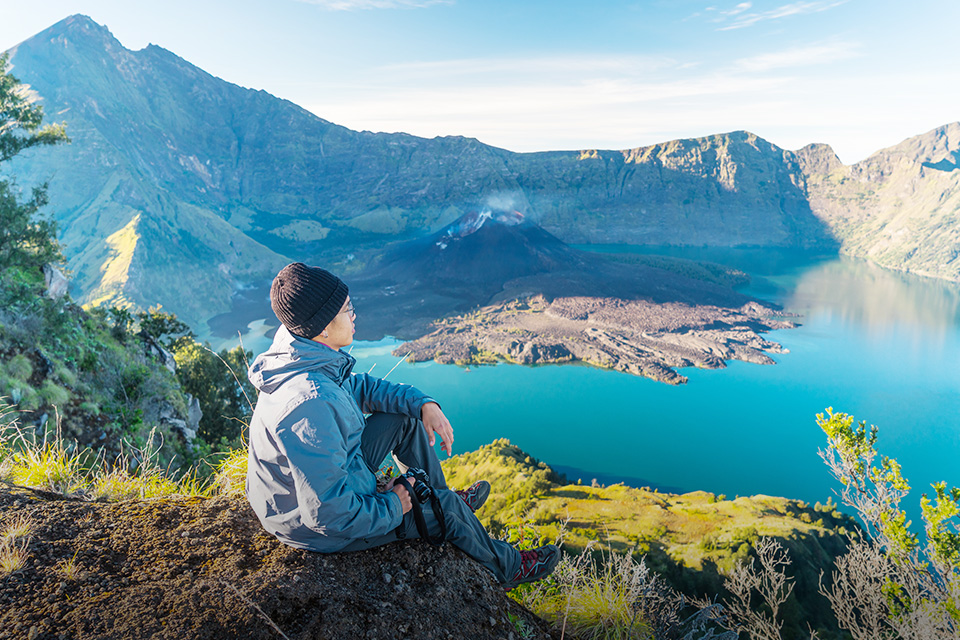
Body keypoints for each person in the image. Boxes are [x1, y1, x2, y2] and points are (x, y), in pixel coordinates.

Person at [245, 262, 560, 589]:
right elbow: (328, 515)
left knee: (404, 419)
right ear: (323, 326)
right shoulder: (310, 405)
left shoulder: (303, 349)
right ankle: (506, 567)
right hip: (315, 528)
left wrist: (423, 403)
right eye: (347, 309)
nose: (354, 316)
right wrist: (395, 504)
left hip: (328, 478)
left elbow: (362, 389)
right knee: (448, 511)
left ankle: (435, 496)